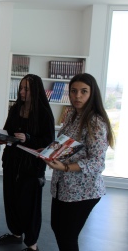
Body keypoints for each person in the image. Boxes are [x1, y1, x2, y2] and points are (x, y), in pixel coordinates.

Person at [44, 73, 114, 251]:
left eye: (84, 91)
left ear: (92, 94)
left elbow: (97, 163)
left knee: (67, 236)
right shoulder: (71, 115)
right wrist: (47, 152)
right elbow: (63, 144)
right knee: (58, 229)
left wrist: (66, 167)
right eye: (73, 91)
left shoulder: (96, 123)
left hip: (83, 191)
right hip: (63, 186)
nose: (77, 96)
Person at [0, 74, 55, 251]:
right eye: (21, 88)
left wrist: (28, 138)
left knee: (29, 205)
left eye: (26, 89)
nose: (21, 91)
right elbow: (8, 131)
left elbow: (48, 141)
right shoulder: (15, 109)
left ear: (35, 91)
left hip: (31, 167)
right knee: (11, 198)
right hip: (12, 162)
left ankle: (32, 245)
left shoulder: (44, 113)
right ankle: (15, 233)